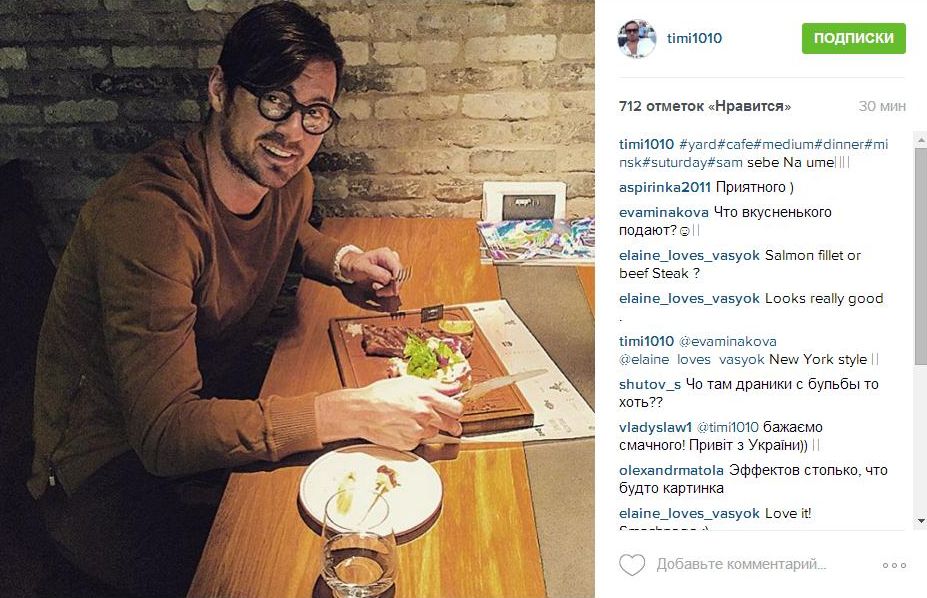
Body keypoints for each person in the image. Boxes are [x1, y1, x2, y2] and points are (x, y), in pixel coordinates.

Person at [28, 3, 463, 596]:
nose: (294, 133)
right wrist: (352, 410)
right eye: (274, 101)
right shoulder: (151, 218)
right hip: (109, 471)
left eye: (314, 112)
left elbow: (289, 231)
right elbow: (164, 436)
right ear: (219, 90)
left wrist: (344, 263)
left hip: (207, 407)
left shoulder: (285, 180)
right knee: (287, 569)